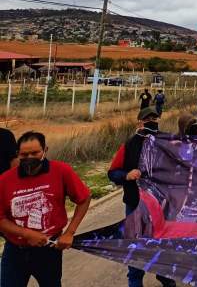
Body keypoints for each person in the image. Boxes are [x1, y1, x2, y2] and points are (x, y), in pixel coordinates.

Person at [0, 131, 91, 287]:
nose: (29, 158)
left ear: (45, 150)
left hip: (49, 251)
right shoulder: (5, 180)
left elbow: (84, 198)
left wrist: (70, 232)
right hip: (15, 251)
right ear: (17, 154)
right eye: (24, 154)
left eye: (35, 153)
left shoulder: (61, 171)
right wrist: (26, 233)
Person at [108, 108, 177, 287]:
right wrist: (126, 175)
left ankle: (165, 276)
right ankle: (135, 281)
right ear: (139, 122)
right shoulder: (129, 145)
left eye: (155, 117)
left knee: (162, 246)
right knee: (136, 246)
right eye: (147, 119)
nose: (152, 121)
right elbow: (113, 173)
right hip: (136, 205)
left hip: (163, 207)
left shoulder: (167, 142)